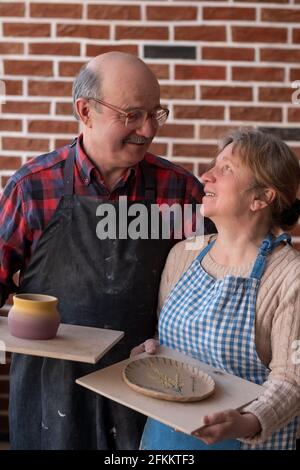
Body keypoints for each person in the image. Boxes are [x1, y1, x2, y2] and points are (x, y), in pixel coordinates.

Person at [0, 52, 213, 450]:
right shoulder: (32, 188)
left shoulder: (180, 192)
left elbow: (214, 284)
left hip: (149, 387)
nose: (147, 130)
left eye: (155, 114)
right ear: (85, 111)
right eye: (132, 115)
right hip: (51, 392)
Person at [132, 128, 300, 450]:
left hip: (246, 441)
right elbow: (167, 343)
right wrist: (150, 353)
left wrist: (248, 422)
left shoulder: (289, 277)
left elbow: (292, 380)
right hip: (166, 441)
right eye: (213, 165)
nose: (205, 176)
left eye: (226, 169)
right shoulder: (184, 254)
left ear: (262, 197)